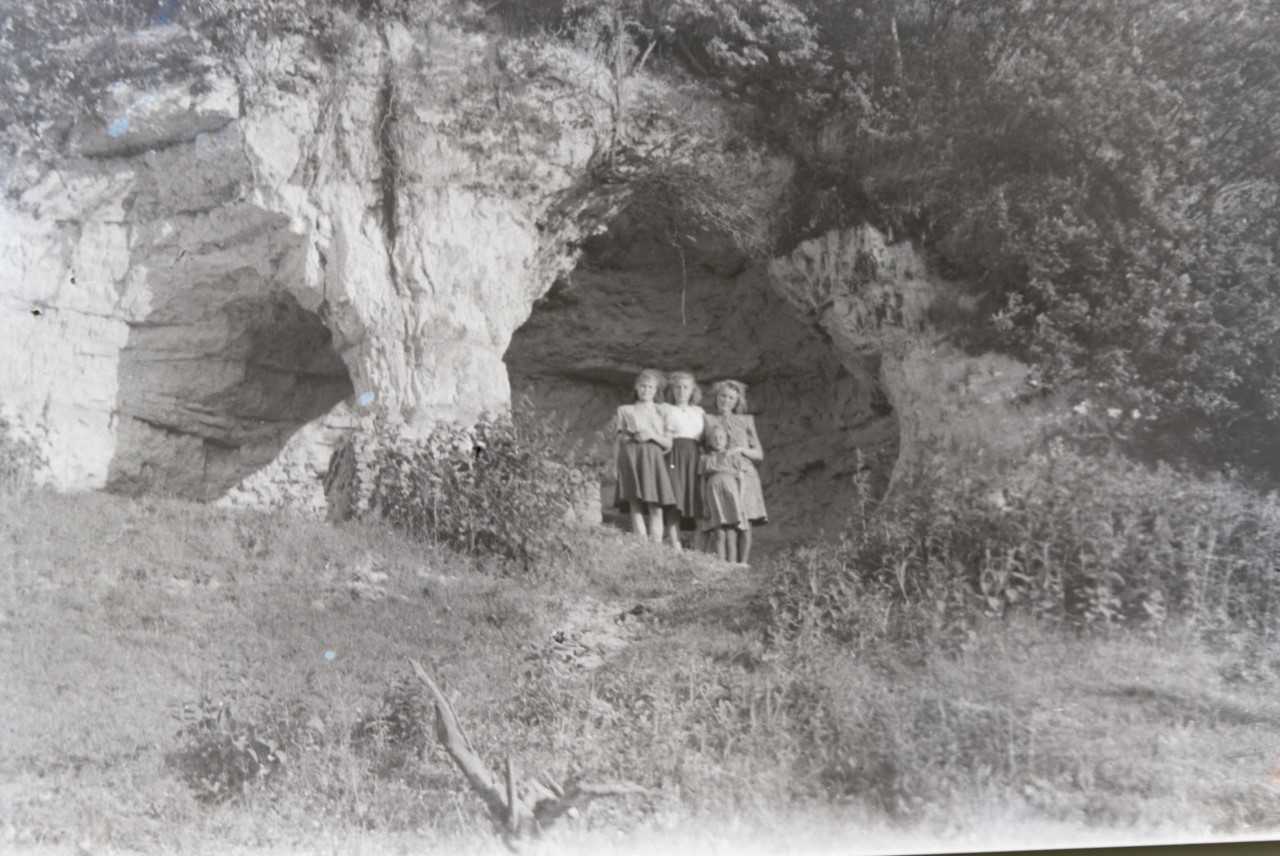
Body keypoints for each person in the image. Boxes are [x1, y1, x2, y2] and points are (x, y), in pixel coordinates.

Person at [702, 379, 767, 564]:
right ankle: (726, 564)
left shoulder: (747, 420)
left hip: (745, 473)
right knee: (725, 521)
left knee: (745, 521)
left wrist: (740, 450)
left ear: (737, 401)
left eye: (731, 398)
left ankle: (743, 563)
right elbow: (703, 448)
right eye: (723, 396)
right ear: (716, 397)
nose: (726, 401)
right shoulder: (708, 419)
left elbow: (759, 454)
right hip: (721, 473)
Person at [614, 369, 675, 542]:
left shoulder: (662, 411)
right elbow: (619, 439)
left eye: (650, 387)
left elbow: (669, 443)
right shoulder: (625, 410)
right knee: (635, 501)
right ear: (636, 387)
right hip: (631, 454)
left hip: (653, 456)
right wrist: (615, 463)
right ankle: (641, 541)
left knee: (655, 502)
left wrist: (652, 435)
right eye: (642, 386)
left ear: (656, 391)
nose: (646, 390)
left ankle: (656, 542)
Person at [659, 370, 706, 551]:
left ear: (692, 390)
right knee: (674, 496)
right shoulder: (665, 408)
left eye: (685, 387)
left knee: (696, 497)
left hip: (695, 454)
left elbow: (706, 437)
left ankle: (698, 546)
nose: (681, 391)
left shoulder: (699, 411)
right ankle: (675, 543)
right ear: (672, 390)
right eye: (677, 387)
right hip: (673, 453)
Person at [699, 423, 750, 562]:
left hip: (731, 496)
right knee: (719, 533)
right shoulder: (705, 459)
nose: (718, 440)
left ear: (726, 440)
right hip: (713, 496)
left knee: (731, 533)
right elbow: (703, 482)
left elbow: (741, 480)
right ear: (709, 441)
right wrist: (705, 504)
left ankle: (732, 564)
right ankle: (721, 564)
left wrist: (740, 499)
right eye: (714, 437)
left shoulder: (733, 456)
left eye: (721, 437)